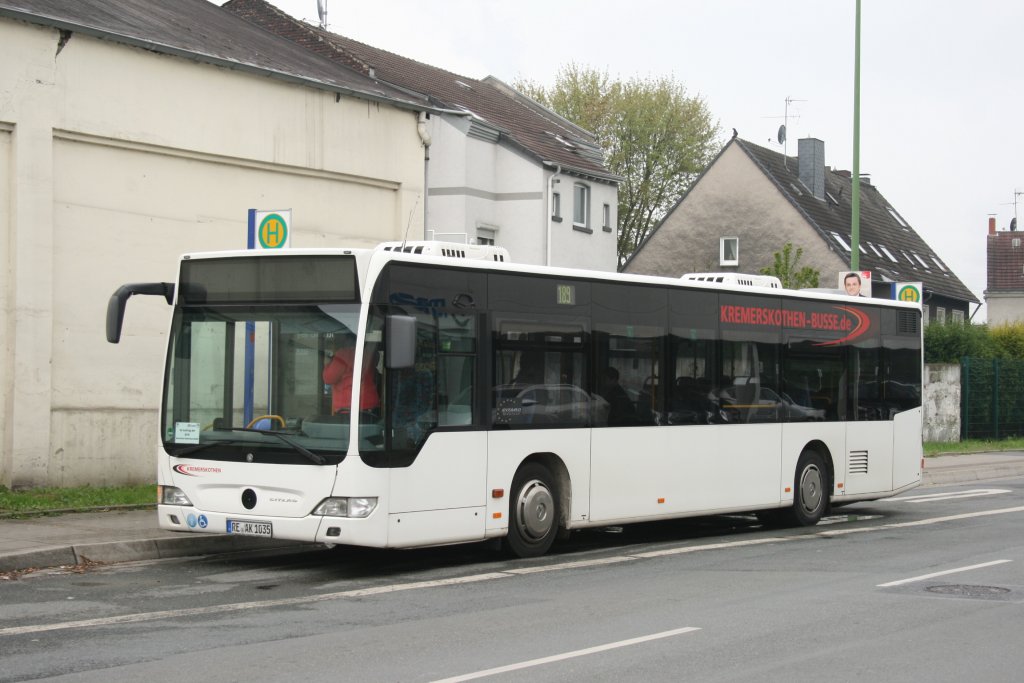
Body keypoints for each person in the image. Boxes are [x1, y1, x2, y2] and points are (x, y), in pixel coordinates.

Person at [322, 335, 379, 414]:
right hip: (370, 404)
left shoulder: (343, 354)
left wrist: (327, 364)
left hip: (348, 406)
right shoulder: (367, 353)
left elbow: (329, 378)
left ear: (345, 341)